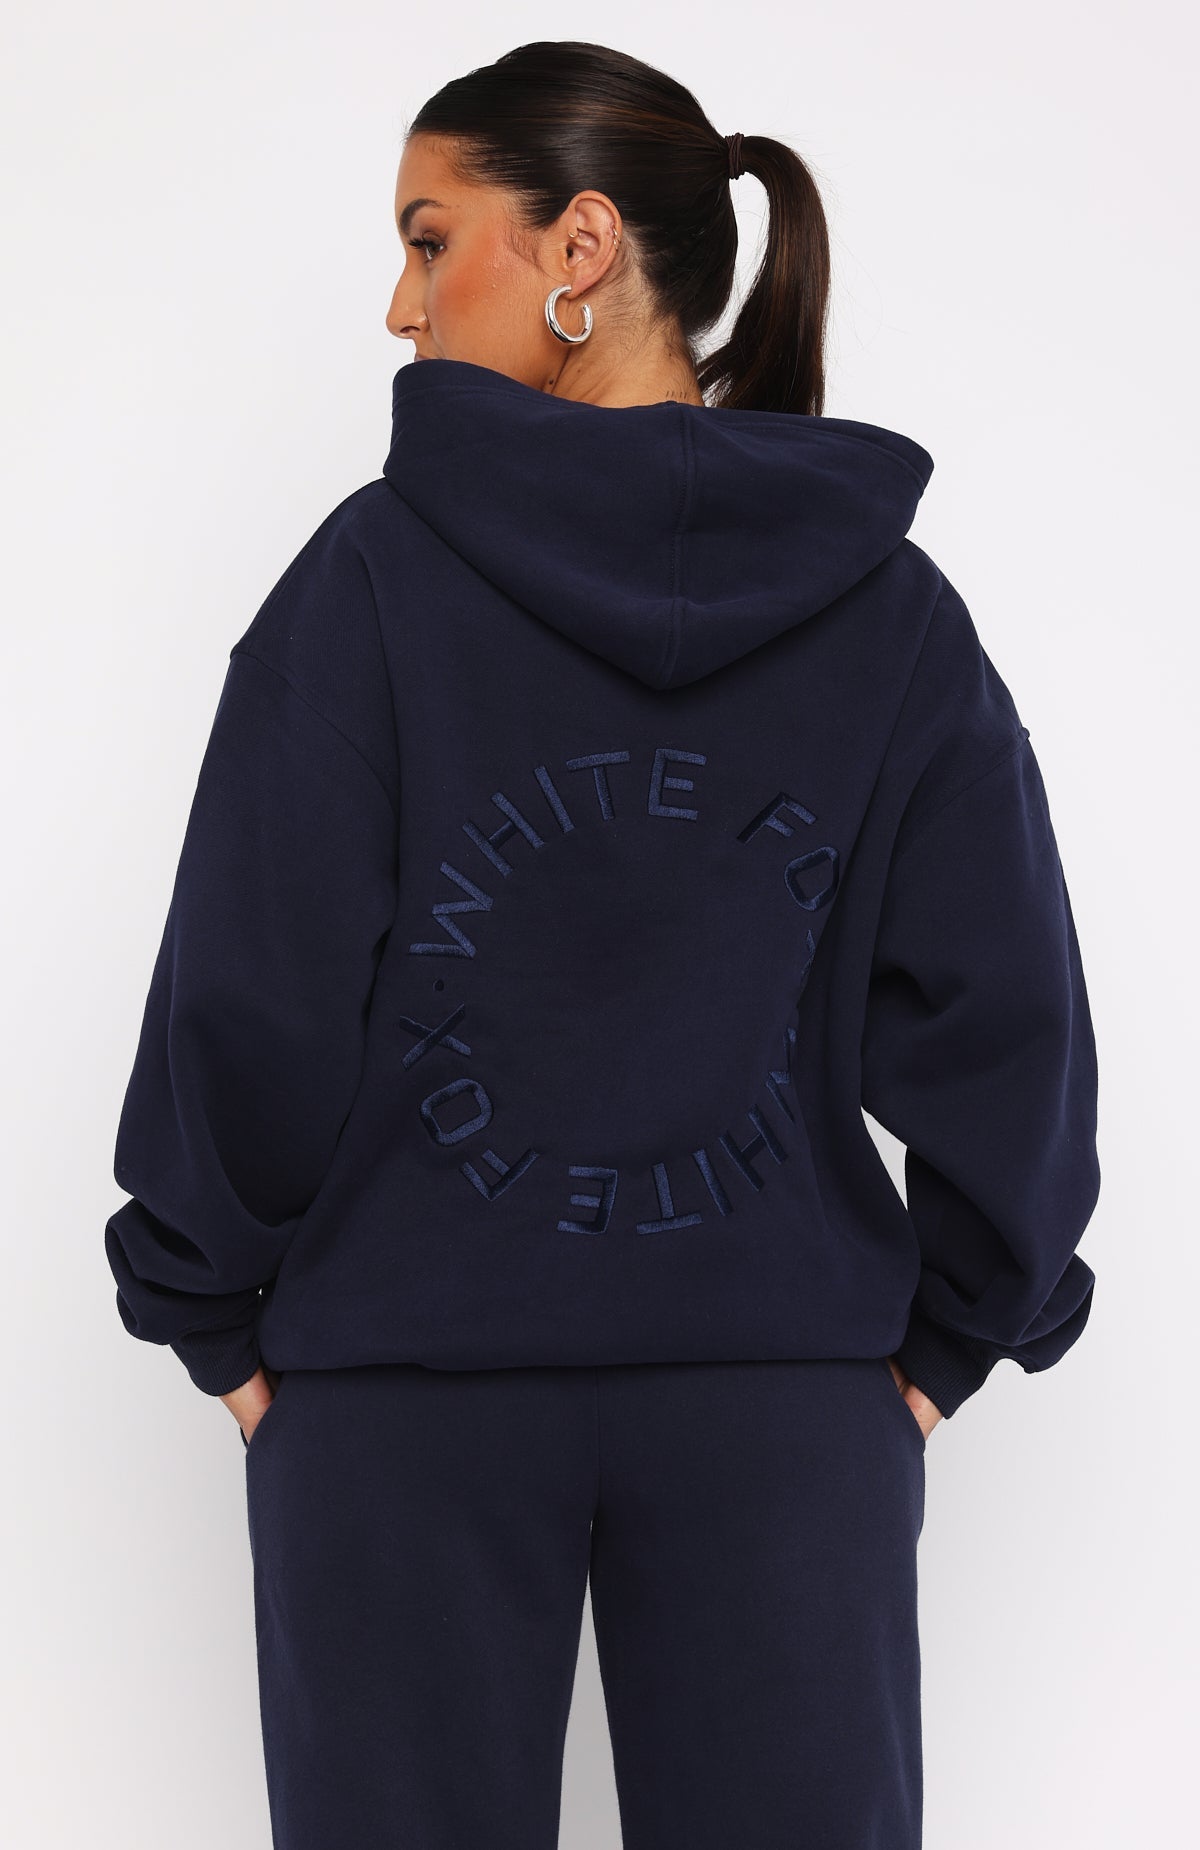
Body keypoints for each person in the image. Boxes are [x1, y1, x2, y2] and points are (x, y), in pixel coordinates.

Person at [103, 38, 1101, 1850]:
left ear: (578, 246)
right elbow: (1003, 1011)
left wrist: (204, 1294)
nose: (400, 304)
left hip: (402, 1397)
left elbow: (258, 986)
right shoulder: (890, 613)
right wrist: (961, 1324)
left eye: (430, 239)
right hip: (779, 1405)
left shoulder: (366, 586)